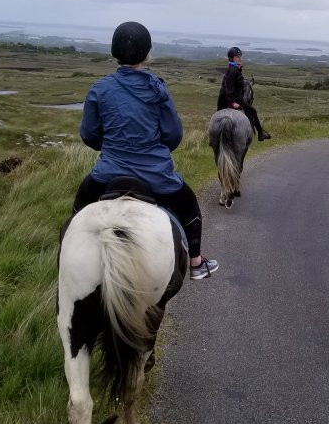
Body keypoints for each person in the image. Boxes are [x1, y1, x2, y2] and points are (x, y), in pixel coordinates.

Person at [73, 21, 218, 280]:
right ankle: (196, 262)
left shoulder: (99, 89)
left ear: (114, 52)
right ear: (147, 53)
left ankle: (67, 256)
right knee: (188, 204)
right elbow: (174, 135)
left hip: (107, 174)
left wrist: (109, 146)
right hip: (156, 176)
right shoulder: (157, 88)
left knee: (78, 210)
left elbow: (89, 135)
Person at [218, 46, 271, 141]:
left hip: (222, 99)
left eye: (240, 56)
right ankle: (260, 133)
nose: (240, 58)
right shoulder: (234, 70)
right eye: (237, 57)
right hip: (235, 99)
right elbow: (229, 90)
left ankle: (214, 138)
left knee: (217, 117)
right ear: (231, 58)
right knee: (253, 111)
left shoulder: (232, 68)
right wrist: (232, 103)